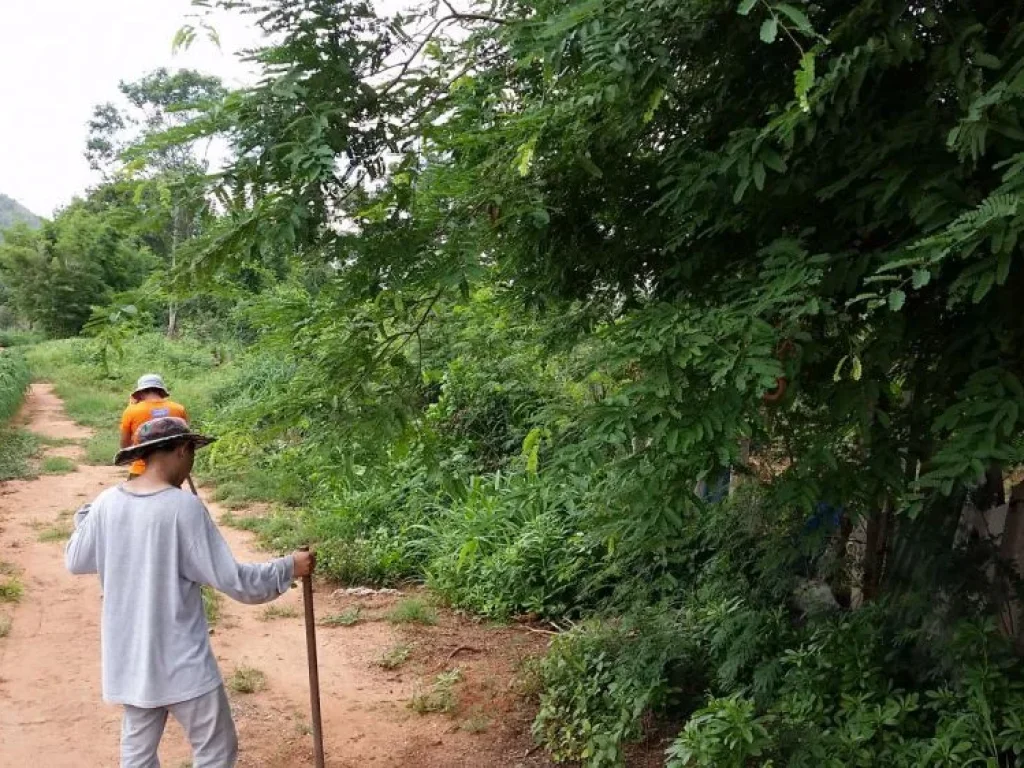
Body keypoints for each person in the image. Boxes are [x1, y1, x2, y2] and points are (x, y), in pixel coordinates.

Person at [65, 416, 315, 767]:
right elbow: (237, 582)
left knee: (137, 759)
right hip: (184, 665)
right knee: (215, 751)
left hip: (132, 664)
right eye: (192, 453)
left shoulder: (106, 504)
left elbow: (76, 559)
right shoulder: (183, 508)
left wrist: (90, 517)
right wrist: (289, 566)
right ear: (182, 450)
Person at [120, 373, 189, 479]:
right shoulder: (179, 409)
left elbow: (125, 444)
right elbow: (185, 439)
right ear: (161, 391)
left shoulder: (131, 411)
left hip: (141, 470)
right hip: (171, 470)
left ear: (140, 392)